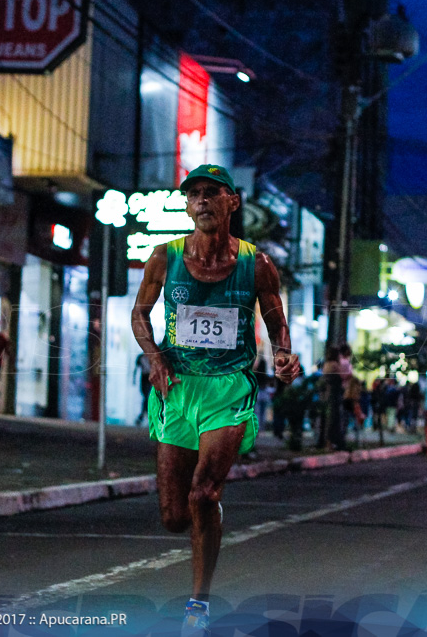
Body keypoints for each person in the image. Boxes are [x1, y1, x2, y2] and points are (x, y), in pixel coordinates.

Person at [131, 164, 300, 634]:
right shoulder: (164, 257)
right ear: (187, 206)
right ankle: (208, 517)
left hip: (228, 387)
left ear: (232, 203)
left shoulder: (258, 263)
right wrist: (154, 357)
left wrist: (283, 353)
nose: (202, 200)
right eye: (194, 194)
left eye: (212, 193)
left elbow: (275, 319)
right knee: (172, 516)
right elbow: (140, 314)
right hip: (177, 386)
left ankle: (198, 605)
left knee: (203, 492)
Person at [134, 352, 153, 426]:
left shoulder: (152, 356)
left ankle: (142, 415)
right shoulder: (140, 357)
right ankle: (145, 414)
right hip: (144, 378)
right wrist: (134, 379)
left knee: (147, 397)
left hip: (150, 377)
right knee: (146, 397)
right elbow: (136, 368)